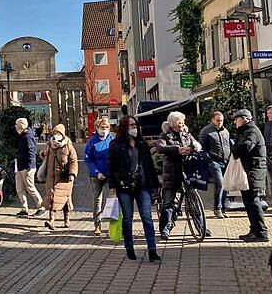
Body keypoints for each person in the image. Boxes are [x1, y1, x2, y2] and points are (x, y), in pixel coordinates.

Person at [108, 115, 161, 262]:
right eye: (131, 125)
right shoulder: (116, 145)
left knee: (147, 217)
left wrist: (155, 185)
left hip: (142, 184)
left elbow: (149, 165)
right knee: (127, 218)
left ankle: (152, 249)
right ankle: (129, 247)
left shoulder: (142, 144)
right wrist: (112, 186)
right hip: (124, 186)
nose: (134, 128)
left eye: (135, 125)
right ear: (124, 127)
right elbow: (111, 167)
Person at [156, 111, 202, 240]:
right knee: (168, 203)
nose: (181, 126)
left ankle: (201, 227)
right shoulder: (165, 135)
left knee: (194, 202)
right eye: (178, 125)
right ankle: (165, 229)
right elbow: (160, 147)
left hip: (187, 171)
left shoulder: (187, 134)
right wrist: (176, 149)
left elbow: (196, 144)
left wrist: (191, 148)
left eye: (182, 123)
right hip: (172, 172)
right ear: (171, 125)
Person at [231, 109, 269, 242]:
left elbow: (245, 148)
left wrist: (234, 149)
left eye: (236, 119)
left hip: (254, 170)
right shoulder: (247, 131)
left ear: (244, 119)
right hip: (251, 170)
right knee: (249, 202)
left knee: (253, 202)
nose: (235, 122)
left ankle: (261, 232)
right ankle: (254, 230)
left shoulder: (251, 131)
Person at [40, 124, 78, 230]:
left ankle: (67, 220)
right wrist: (43, 153)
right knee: (51, 198)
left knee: (64, 199)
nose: (56, 135)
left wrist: (72, 174)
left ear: (62, 134)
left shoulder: (68, 146)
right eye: (55, 133)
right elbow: (42, 155)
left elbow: (73, 161)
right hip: (51, 178)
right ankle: (51, 220)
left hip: (64, 178)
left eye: (58, 133)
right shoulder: (49, 145)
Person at [198, 111, 232, 218]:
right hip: (214, 161)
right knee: (220, 183)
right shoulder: (206, 131)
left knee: (225, 185)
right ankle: (217, 208)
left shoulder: (225, 131)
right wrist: (208, 158)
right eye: (218, 120)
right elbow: (201, 146)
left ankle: (222, 207)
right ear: (213, 120)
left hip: (225, 161)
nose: (220, 122)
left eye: (221, 120)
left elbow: (228, 144)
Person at [84, 117, 113, 235]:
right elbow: (87, 159)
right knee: (98, 199)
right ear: (97, 128)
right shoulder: (92, 141)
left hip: (111, 174)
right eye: (102, 128)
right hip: (96, 176)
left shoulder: (112, 140)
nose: (104, 130)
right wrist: (96, 172)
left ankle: (113, 225)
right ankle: (97, 224)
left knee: (112, 200)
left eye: (106, 127)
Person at [14, 118, 46, 217]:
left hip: (27, 166)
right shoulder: (23, 135)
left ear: (21, 125)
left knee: (30, 187)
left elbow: (31, 152)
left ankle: (41, 206)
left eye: (17, 124)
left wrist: (29, 166)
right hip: (21, 165)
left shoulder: (27, 137)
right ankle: (24, 209)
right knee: (19, 188)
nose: (15, 126)